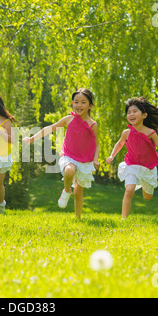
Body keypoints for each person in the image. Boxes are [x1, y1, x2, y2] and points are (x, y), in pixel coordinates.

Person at [23, 88, 99, 219]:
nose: (79, 105)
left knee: (78, 192)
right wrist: (31, 138)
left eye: (83, 102)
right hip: (69, 156)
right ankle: (66, 190)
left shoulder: (92, 125)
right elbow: (50, 128)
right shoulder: (68, 119)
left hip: (85, 160)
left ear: (90, 105)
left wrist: (95, 160)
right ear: (72, 103)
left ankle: (78, 217)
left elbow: (97, 144)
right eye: (76, 102)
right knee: (69, 171)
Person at [106, 96, 158, 219]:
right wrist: (112, 155)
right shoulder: (126, 133)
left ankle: (144, 185)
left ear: (144, 115)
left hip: (148, 168)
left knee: (147, 197)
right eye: (129, 112)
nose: (131, 114)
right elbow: (119, 144)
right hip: (132, 165)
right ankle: (124, 219)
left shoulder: (151, 133)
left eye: (135, 111)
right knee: (129, 190)